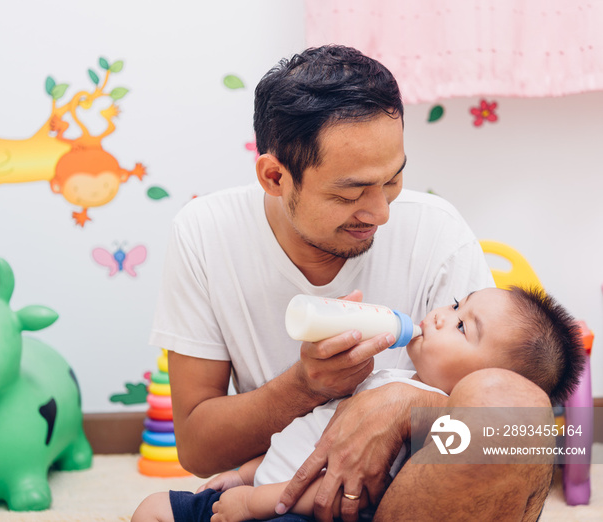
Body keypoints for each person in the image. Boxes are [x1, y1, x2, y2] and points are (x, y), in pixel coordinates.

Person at [149, 44, 548, 520]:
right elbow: (197, 452)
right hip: (280, 492)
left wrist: (403, 405)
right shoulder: (206, 232)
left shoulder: (437, 231)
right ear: (276, 176)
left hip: (401, 503)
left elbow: (520, 437)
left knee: (511, 403)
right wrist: (304, 386)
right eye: (350, 193)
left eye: (393, 181)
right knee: (154, 511)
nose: (380, 213)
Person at [134, 286, 585, 522]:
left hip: (290, 511)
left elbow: (353, 495)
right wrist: (241, 475)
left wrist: (255, 502)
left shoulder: (440, 430)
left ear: (482, 379)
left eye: (463, 327)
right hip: (256, 489)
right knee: (152, 508)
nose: (442, 316)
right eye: (455, 305)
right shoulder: (388, 376)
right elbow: (306, 440)